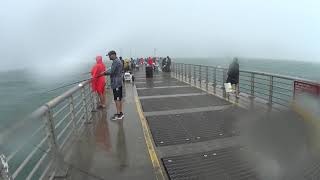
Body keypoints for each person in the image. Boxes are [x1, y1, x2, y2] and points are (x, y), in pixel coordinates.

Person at [105, 51, 124, 120]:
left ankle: (119, 114)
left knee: (117, 99)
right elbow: (113, 70)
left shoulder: (116, 61)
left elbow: (111, 71)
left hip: (116, 83)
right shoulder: (117, 61)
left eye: (109, 55)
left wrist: (103, 73)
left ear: (113, 55)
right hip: (118, 82)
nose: (109, 57)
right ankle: (120, 113)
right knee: (119, 98)